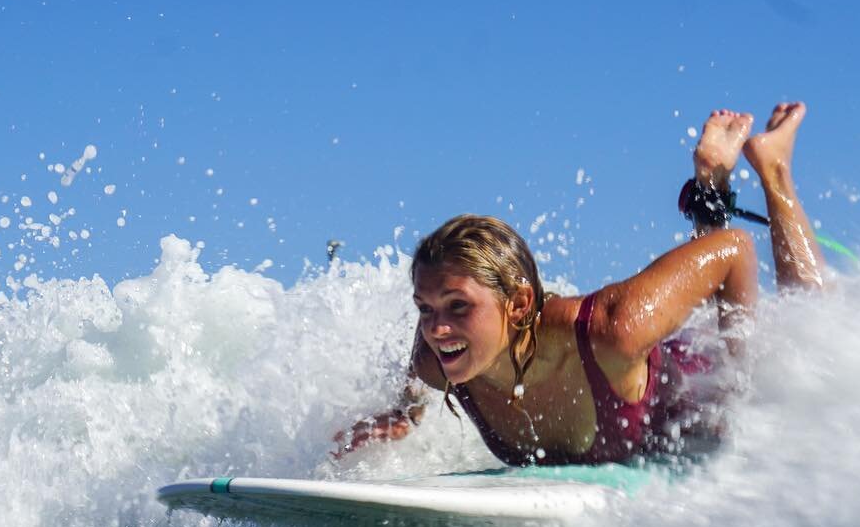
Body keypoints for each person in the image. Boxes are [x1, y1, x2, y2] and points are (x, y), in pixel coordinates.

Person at [335, 102, 828, 465]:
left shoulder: (612, 331)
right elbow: (419, 362)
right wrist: (402, 413)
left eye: (458, 307)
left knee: (813, 334)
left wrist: (739, 387)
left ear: (519, 303)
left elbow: (735, 251)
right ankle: (711, 187)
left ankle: (773, 168)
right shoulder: (438, 363)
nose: (437, 329)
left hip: (690, 379)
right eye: (425, 309)